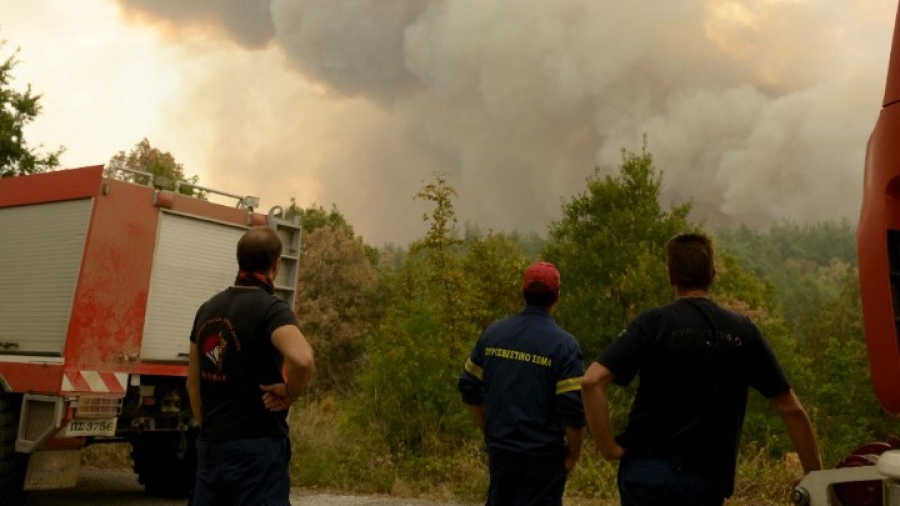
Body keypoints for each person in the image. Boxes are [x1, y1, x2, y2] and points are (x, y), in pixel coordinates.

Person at [581, 232, 822, 506]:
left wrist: (609, 449)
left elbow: (592, 382)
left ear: (670, 275)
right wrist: (814, 476)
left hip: (645, 473)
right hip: (704, 480)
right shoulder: (743, 331)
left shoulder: (652, 323)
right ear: (713, 274)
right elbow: (790, 408)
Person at [187, 225, 315, 506]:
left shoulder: (206, 309)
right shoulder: (271, 309)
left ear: (240, 260)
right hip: (258, 451)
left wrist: (208, 428)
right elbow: (302, 358)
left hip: (212, 447)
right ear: (276, 265)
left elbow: (193, 383)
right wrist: (290, 392)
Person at [458, 261, 586, 506]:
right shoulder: (565, 346)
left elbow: (469, 386)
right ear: (557, 296)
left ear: (523, 292)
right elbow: (574, 409)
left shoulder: (493, 333)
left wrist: (489, 432)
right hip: (543, 460)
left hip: (501, 455)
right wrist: (573, 454)